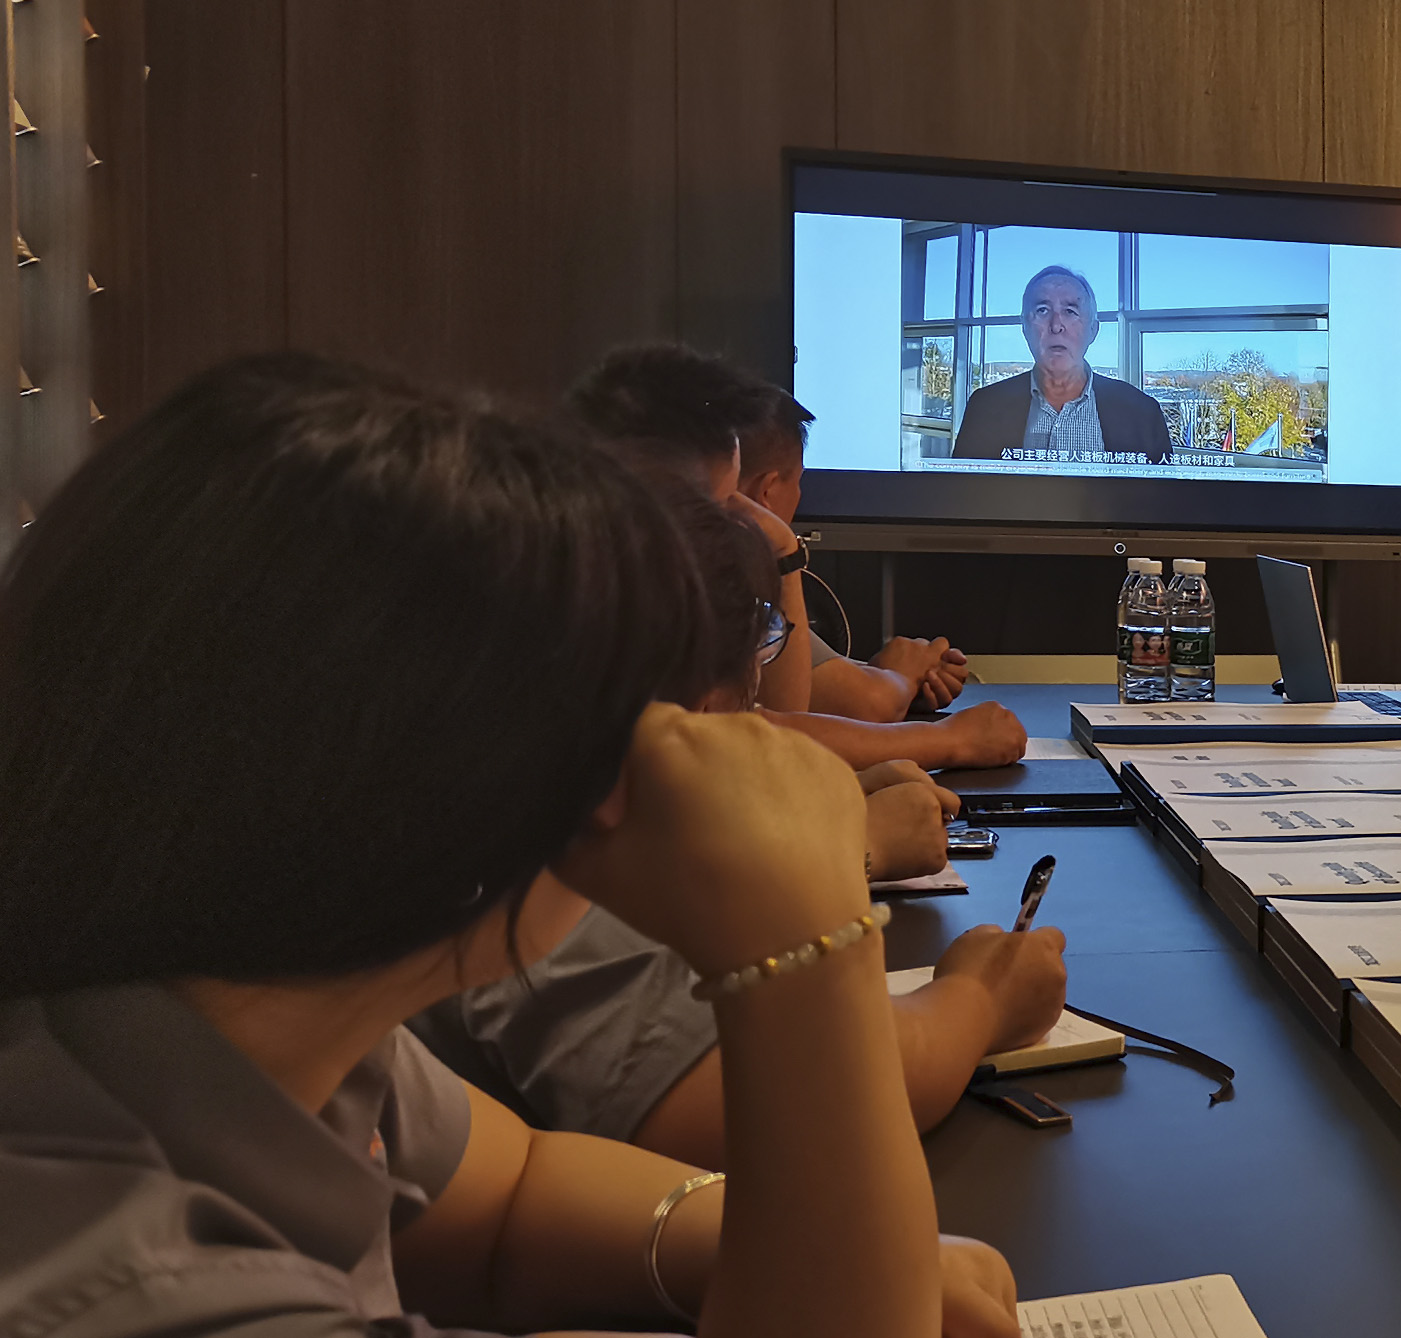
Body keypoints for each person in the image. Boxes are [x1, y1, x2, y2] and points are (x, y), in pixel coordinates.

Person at [0, 353, 1015, 1335]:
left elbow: (510, 1202)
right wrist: (805, 947)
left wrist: (832, 1260)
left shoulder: (232, 1015)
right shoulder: (127, 1288)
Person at [412, 489, 1071, 1170]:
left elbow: (524, 1193)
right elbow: (814, 1110)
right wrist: (981, 996)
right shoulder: (541, 893)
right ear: (693, 716)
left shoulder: (474, 783)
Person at [566, 343, 1027, 775]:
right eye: (722, 503)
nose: (730, 522)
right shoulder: (628, 611)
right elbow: (756, 738)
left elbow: (761, 723)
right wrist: (946, 742)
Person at [735, 395, 975, 716]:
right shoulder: (725, 590)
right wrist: (786, 556)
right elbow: (861, 704)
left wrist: (904, 677)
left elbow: (821, 686)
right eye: (799, 481)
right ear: (768, 491)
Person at [949, 264, 1169, 463]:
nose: (1056, 326)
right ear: (1025, 327)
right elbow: (961, 491)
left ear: (1093, 330)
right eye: (1042, 311)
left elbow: (1163, 494)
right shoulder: (984, 406)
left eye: (1070, 312)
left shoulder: (1142, 412)